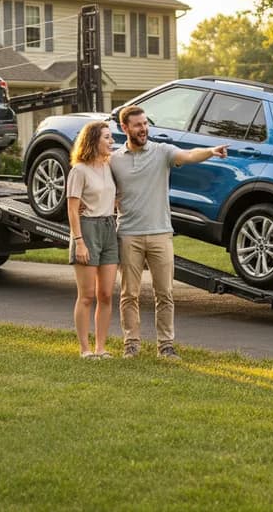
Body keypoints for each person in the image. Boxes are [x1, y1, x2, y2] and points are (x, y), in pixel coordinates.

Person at [110, 105, 228, 360]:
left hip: (160, 234)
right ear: (125, 128)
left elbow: (188, 155)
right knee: (129, 293)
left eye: (145, 124)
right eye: (137, 125)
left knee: (164, 293)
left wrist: (210, 151)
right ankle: (131, 344)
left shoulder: (162, 152)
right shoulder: (114, 160)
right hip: (128, 234)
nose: (143, 129)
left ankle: (166, 345)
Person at [66, 121, 119, 359]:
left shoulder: (110, 166)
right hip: (86, 230)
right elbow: (72, 208)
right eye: (107, 138)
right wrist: (79, 241)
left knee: (106, 294)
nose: (111, 142)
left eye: (111, 138)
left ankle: (101, 348)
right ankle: (85, 349)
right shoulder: (79, 170)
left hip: (109, 228)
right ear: (93, 141)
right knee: (86, 295)